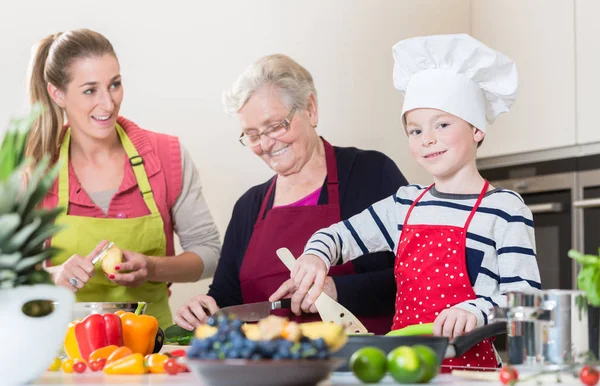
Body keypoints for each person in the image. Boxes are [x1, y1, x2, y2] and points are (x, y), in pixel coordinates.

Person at [280, 34, 542, 370]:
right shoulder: (404, 205)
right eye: (415, 131)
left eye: (442, 125)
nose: (428, 139)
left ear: (477, 129)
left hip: (472, 372)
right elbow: (336, 236)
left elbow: (527, 301)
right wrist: (316, 256)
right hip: (403, 369)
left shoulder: (505, 210)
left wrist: (475, 310)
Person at [175, 54, 408, 334]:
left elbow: (417, 276)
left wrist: (337, 290)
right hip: (269, 367)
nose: (265, 144)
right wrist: (204, 308)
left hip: (360, 365)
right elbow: (227, 298)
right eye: (252, 134)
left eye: (275, 126)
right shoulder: (249, 206)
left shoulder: (371, 173)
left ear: (310, 109)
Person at [27, 29, 221, 328]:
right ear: (58, 94)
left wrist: (153, 267)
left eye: (114, 85)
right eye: (90, 90)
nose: (108, 104)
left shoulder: (166, 156)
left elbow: (210, 253)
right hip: (61, 351)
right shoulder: (35, 167)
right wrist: (52, 276)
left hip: (150, 349)